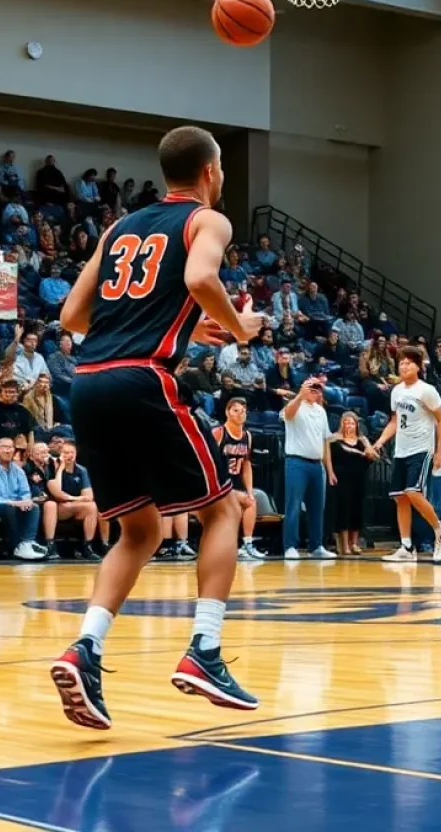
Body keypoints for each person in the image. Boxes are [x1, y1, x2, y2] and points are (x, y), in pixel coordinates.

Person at [49, 125, 266, 730]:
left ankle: (85, 648)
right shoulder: (207, 220)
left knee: (139, 531)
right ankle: (205, 650)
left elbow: (72, 316)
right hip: (144, 379)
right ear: (211, 171)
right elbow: (200, 280)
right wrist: (238, 328)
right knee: (222, 511)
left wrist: (180, 326)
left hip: (88, 383)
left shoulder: (120, 227)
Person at [371, 345, 441, 563]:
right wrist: (379, 442)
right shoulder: (397, 391)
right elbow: (395, 421)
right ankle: (407, 547)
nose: (404, 366)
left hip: (421, 449)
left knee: (413, 492)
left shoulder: (426, 390)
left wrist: (440, 449)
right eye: (401, 363)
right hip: (401, 450)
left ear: (418, 366)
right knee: (400, 497)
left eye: (408, 362)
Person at [281, 377, 337, 560]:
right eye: (311, 387)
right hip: (296, 462)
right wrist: (300, 396)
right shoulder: (295, 405)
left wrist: (329, 470)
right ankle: (290, 546)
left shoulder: (321, 411)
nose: (314, 390)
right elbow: (287, 415)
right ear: (303, 388)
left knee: (317, 507)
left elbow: (324, 441)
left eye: (317, 388)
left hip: (316, 464)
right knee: (294, 505)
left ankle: (317, 545)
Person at [0, 437, 47, 560]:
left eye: (10, 447)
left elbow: (25, 492)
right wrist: (12, 502)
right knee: (9, 508)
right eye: (4, 447)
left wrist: (25, 501)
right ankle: (16, 546)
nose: (8, 451)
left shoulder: (19, 471)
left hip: (15, 505)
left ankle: (28, 542)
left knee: (33, 507)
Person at [212, 397, 264, 560]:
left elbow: (246, 465)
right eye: (236, 410)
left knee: (251, 500)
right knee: (237, 505)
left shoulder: (247, 436)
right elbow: (208, 461)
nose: (240, 414)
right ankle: (233, 546)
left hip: (235, 485)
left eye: (243, 411)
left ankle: (246, 544)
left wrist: (249, 490)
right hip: (218, 485)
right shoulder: (219, 432)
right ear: (227, 412)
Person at [328, 410, 375, 555]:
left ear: (356, 425)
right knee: (344, 509)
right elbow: (328, 458)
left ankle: (354, 543)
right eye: (346, 422)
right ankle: (344, 545)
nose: (349, 425)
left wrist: (368, 452)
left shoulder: (363, 440)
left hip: (359, 478)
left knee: (357, 509)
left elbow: (373, 456)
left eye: (352, 423)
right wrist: (331, 473)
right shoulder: (333, 439)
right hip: (342, 478)